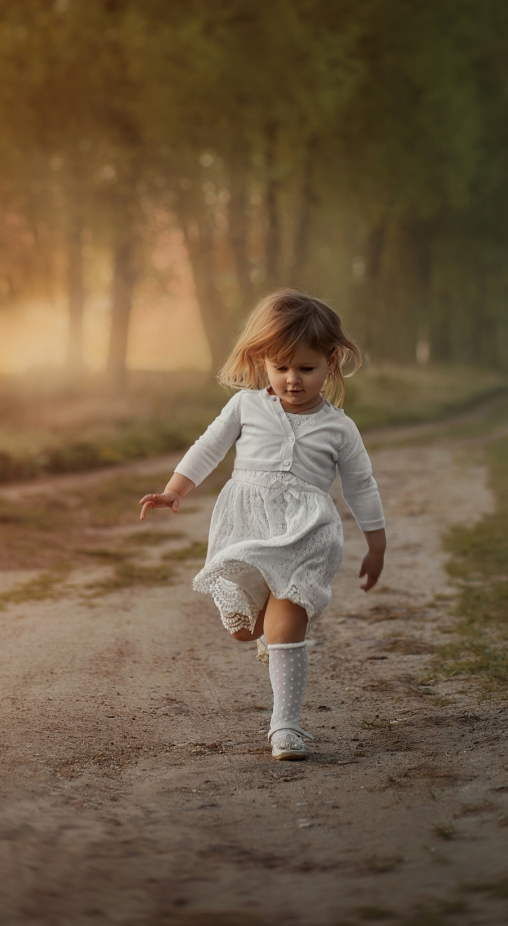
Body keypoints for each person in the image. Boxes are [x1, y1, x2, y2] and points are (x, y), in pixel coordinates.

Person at [139, 289, 386, 761]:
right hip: (247, 525)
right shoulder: (246, 407)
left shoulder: (339, 428)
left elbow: (362, 486)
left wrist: (377, 544)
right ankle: (271, 639)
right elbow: (208, 447)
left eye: (307, 369)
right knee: (245, 630)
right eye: (281, 367)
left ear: (331, 363)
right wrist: (175, 490)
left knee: (287, 620)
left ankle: (285, 727)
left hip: (306, 531)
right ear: (263, 362)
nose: (293, 380)